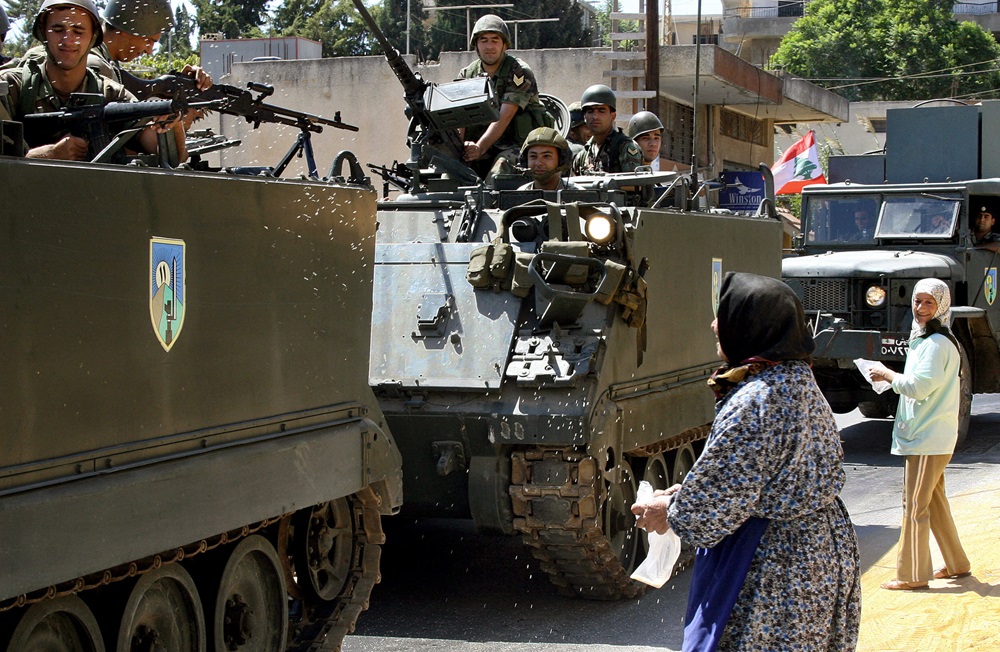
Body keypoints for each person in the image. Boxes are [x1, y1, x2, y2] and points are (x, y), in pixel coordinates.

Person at [632, 272, 861, 651]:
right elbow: (756, 476)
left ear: (753, 325)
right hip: (819, 550)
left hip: (776, 565)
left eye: (724, 313)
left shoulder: (756, 399)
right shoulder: (796, 377)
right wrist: (684, 492)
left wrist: (668, 507)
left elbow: (710, 508)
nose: (714, 324)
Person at [868, 278, 971, 591]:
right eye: (917, 301)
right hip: (931, 436)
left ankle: (912, 574)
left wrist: (887, 374)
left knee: (914, 506)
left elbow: (918, 387)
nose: (921, 308)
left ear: (941, 305)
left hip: (928, 437)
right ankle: (957, 564)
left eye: (929, 302)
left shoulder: (936, 344)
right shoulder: (933, 339)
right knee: (933, 501)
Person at [0, 0, 175, 160]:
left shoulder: (111, 93)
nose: (68, 40)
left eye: (78, 31)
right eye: (58, 30)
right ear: (43, 34)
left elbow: (166, 153)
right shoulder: (11, 88)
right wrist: (47, 154)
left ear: (93, 38)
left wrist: (171, 118)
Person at [459, 14, 549, 178]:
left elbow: (504, 117)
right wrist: (459, 148)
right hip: (482, 146)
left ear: (504, 45)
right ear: (476, 45)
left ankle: (489, 204)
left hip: (518, 146)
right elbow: (460, 117)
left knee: (499, 171)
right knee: (449, 171)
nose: (489, 46)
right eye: (484, 40)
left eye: (495, 40)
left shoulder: (519, 72)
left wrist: (479, 148)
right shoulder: (467, 74)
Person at [572, 84, 642, 175]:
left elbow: (636, 184)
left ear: (613, 116)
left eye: (601, 111)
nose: (595, 116)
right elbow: (572, 185)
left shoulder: (625, 147)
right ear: (585, 117)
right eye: (590, 111)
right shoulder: (583, 155)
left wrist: (604, 182)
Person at [516, 126, 578, 191]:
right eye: (533, 156)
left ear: (561, 160)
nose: (538, 163)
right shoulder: (521, 194)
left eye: (546, 156)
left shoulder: (577, 194)